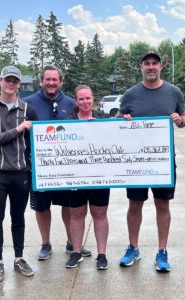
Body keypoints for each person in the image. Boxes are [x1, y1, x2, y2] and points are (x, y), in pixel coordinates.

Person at [116, 50, 185, 272]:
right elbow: (117, 121)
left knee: (162, 204)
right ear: (141, 68)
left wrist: (180, 119)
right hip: (136, 162)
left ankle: (162, 251)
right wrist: (124, 120)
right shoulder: (130, 94)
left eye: (154, 63)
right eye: (146, 63)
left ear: (160, 67)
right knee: (135, 204)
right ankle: (133, 247)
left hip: (162, 162)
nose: (150, 67)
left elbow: (184, 118)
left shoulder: (174, 92)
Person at [24, 66, 91, 260]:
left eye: (55, 79)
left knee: (69, 206)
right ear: (41, 81)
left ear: (60, 81)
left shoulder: (71, 103)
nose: (51, 83)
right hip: (38, 167)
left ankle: (73, 243)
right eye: (47, 79)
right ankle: (45, 244)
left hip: (66, 169)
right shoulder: (28, 103)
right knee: (41, 207)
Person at [0, 66, 37, 282]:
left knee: (18, 218)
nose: (11, 84)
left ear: (19, 84)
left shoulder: (28, 110)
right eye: (7, 80)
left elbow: (38, 140)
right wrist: (18, 130)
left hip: (21, 173)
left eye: (15, 81)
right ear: (0, 81)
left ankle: (19, 258)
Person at [65, 85, 110, 270]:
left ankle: (102, 254)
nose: (85, 102)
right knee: (76, 215)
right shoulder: (67, 121)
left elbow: (117, 137)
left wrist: (126, 121)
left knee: (99, 214)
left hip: (100, 176)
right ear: (76, 101)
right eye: (81, 99)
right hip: (76, 177)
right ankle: (76, 252)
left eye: (88, 98)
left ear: (93, 99)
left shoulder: (104, 119)